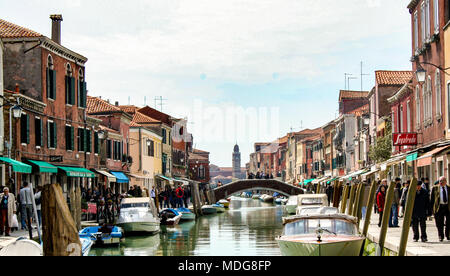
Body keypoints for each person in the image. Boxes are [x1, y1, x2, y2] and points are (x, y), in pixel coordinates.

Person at [430, 176, 450, 242]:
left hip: (447, 207)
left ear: (446, 181)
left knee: (448, 222)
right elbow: (432, 199)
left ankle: (448, 234)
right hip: (439, 207)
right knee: (439, 223)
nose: (441, 182)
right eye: (440, 181)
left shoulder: (448, 188)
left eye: (443, 181)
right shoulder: (435, 188)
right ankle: (441, 236)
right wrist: (431, 209)